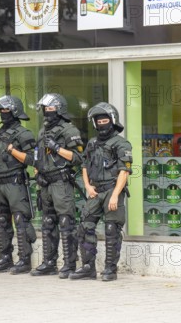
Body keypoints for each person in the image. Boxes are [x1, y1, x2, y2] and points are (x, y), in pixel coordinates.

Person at [70, 102, 132, 281]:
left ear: (112, 120)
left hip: (113, 190)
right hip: (95, 191)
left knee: (112, 229)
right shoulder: (92, 143)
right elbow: (84, 165)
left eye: (105, 120)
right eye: (99, 121)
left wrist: (115, 194)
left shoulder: (121, 143)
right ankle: (88, 267)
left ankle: (110, 269)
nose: (102, 123)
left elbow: (124, 171)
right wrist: (88, 186)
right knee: (85, 226)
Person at [31, 93, 83, 279]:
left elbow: (78, 158)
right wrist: (37, 174)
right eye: (45, 109)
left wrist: (57, 148)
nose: (47, 112)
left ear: (59, 109)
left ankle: (69, 264)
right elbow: (37, 155)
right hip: (45, 182)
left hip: (61, 181)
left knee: (66, 222)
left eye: (51, 108)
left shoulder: (69, 130)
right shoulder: (42, 131)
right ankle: (49, 262)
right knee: (47, 222)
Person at [0, 95, 37, 274]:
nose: (2, 113)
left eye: (6, 110)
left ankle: (24, 259)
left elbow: (32, 159)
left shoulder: (24, 134)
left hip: (15, 182)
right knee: (1, 221)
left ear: (14, 111)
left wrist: (13, 150)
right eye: (0, 110)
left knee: (20, 220)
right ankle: (5, 257)